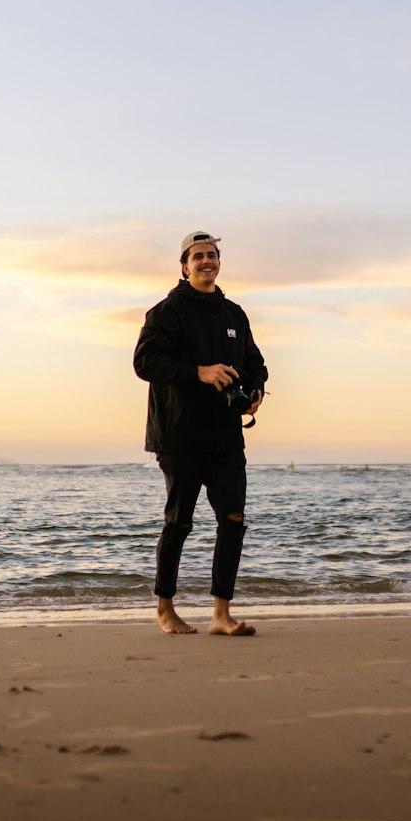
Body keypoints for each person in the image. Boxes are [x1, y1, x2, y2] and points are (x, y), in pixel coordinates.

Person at [134, 230, 268, 636]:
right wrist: (199, 372)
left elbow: (256, 363)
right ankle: (165, 610)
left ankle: (220, 614)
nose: (207, 261)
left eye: (212, 255)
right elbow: (145, 362)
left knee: (233, 518)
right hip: (178, 436)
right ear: (184, 266)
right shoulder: (166, 313)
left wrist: (256, 393)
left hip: (225, 437)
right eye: (198, 256)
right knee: (179, 522)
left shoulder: (234, 314)